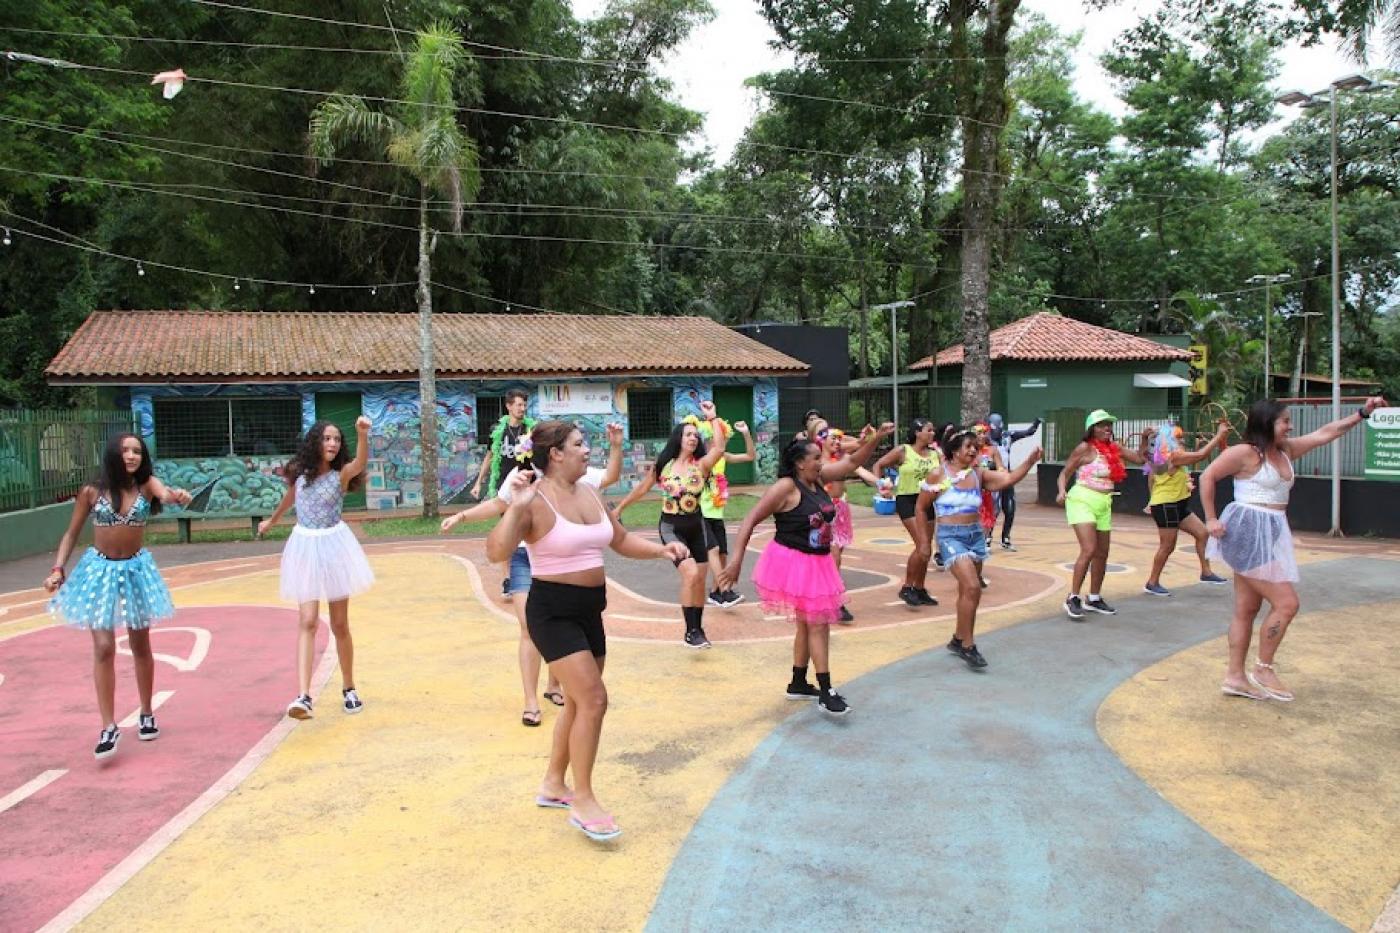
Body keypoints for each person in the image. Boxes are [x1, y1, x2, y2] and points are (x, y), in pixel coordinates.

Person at [487, 421, 689, 842]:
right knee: (594, 699)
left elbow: (620, 540)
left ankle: (553, 784)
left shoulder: (591, 493)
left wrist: (661, 549)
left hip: (589, 611)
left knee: (578, 705)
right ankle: (583, 799)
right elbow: (497, 552)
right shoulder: (535, 498)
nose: (586, 450)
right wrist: (519, 506)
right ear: (555, 453)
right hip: (552, 612)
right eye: (579, 444)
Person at [1201, 396, 1385, 701]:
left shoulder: (1285, 450)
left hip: (1270, 533)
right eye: (1284, 420)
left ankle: (1234, 678)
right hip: (1247, 533)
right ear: (1266, 422)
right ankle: (1262, 668)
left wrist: (1361, 414)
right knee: (1287, 603)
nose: (1290, 425)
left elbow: (1327, 432)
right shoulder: (1244, 453)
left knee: (1246, 609)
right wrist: (1210, 518)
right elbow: (1208, 475)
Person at [441, 424, 624, 727]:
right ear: (550, 452)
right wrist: (462, 515)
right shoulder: (521, 481)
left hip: (565, 572)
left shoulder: (577, 480)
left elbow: (609, 478)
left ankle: (555, 685)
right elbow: (499, 507)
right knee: (530, 628)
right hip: (526, 559)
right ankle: (530, 700)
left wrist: (616, 445)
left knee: (567, 636)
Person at [719, 424, 894, 715]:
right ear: (800, 463)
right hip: (794, 561)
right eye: (815, 458)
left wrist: (876, 439)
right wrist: (736, 560)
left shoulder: (819, 478)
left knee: (806, 623)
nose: (821, 462)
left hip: (818, 560)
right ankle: (826, 690)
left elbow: (852, 462)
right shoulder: (786, 487)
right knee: (818, 623)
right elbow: (750, 519)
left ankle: (798, 682)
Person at [45, 434, 192, 759]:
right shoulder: (91, 491)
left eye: (137, 451)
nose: (131, 456)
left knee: (141, 643)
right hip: (99, 571)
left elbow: (165, 495)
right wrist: (58, 568)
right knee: (103, 646)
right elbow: (71, 533)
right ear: (113, 453)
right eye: (125, 450)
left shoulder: (145, 485)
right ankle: (108, 726)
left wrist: (177, 496)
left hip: (136, 570)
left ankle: (146, 712)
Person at [259, 417, 376, 719]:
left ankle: (349, 687)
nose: (333, 444)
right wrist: (272, 520)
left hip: (334, 545)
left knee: (339, 625)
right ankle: (304, 696)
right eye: (327, 439)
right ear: (316, 442)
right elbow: (290, 498)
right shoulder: (300, 473)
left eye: (337, 440)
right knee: (307, 621)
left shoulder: (341, 474)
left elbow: (360, 462)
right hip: (304, 545)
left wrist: (362, 435)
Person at [915, 428, 1042, 668]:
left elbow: (1008, 479)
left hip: (974, 535)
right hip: (950, 537)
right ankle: (968, 646)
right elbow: (921, 508)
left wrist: (1029, 461)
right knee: (973, 586)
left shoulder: (978, 475)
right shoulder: (937, 475)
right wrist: (924, 541)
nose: (974, 450)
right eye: (968, 446)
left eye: (976, 446)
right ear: (954, 451)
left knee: (969, 591)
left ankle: (958, 638)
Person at [614, 400, 726, 648]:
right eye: (688, 435)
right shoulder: (664, 464)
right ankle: (689, 632)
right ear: (678, 437)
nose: (693, 439)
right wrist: (620, 507)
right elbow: (643, 488)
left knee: (699, 580)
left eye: (696, 436)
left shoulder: (702, 465)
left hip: (697, 526)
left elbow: (719, 447)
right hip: (671, 527)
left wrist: (712, 419)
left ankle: (698, 628)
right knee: (690, 572)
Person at [1055, 409, 1149, 620]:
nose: (1107, 428)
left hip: (1104, 502)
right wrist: (1062, 491)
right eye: (1102, 425)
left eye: (1109, 424)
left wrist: (1144, 439)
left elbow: (1140, 459)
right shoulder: (1084, 449)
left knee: (1102, 553)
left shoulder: (1114, 448)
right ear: (1092, 429)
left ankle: (1094, 598)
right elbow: (1065, 473)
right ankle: (1073, 597)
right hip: (1082, 499)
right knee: (1089, 549)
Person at [804, 413, 880, 623]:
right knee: (833, 557)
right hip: (823, 514)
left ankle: (821, 593)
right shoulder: (815, 463)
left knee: (831, 559)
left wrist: (880, 483)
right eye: (828, 435)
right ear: (817, 439)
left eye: (837, 437)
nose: (836, 440)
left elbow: (859, 467)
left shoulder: (841, 458)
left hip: (841, 510)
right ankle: (836, 602)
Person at [1141, 421, 1231, 596]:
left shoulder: (1161, 457)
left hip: (1177, 503)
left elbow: (1151, 478)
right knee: (1167, 546)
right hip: (1167, 505)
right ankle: (1152, 582)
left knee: (1202, 533)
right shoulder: (1173, 456)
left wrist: (1151, 498)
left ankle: (1206, 572)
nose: (1182, 439)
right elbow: (1201, 455)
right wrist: (1218, 436)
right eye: (1178, 437)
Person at [471, 388, 535, 600]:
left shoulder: (531, 429)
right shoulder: (498, 431)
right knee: (509, 532)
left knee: (527, 531)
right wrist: (479, 482)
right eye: (518, 404)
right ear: (508, 406)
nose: (522, 408)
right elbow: (490, 457)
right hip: (504, 489)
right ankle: (508, 578)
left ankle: (531, 574)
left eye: (524, 405)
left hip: (526, 487)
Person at [873, 419, 942, 607]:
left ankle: (919, 588)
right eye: (929, 430)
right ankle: (907, 587)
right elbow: (879, 464)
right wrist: (881, 485)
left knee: (926, 551)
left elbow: (946, 473)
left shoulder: (935, 454)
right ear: (918, 433)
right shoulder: (904, 451)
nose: (932, 433)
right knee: (922, 545)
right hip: (908, 501)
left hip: (927, 501)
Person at [696, 416, 755, 609]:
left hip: (716, 514)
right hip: (700, 513)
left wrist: (746, 433)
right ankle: (725, 590)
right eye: (720, 435)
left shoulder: (723, 457)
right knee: (712, 550)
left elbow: (750, 456)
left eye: (725, 436)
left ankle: (715, 594)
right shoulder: (701, 459)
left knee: (722, 555)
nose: (724, 439)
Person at [986, 413, 1041, 551]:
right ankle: (987, 537)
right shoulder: (984, 440)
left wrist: (1036, 423)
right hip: (992, 477)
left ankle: (1005, 538)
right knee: (993, 509)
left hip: (1007, 476)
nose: (997, 431)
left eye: (999, 427)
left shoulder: (1007, 436)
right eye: (994, 428)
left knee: (1010, 509)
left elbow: (1028, 432)